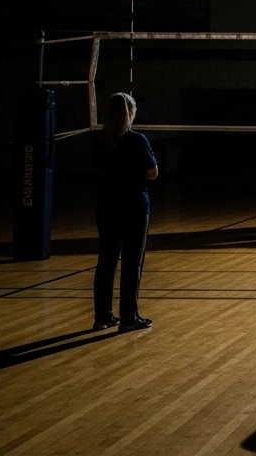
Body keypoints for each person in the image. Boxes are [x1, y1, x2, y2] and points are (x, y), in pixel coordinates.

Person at [92, 92, 158, 332]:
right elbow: (153, 173)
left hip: (107, 207)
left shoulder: (99, 141)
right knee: (132, 263)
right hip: (134, 208)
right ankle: (129, 318)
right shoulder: (137, 140)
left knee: (106, 262)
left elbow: (96, 170)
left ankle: (102, 317)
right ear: (129, 113)